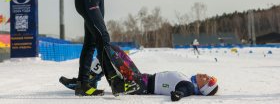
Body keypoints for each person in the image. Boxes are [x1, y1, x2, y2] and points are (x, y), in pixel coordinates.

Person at [60, 45, 219, 101]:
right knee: (113, 49)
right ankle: (89, 80)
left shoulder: (189, 87)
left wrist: (178, 94)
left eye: (206, 80)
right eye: (208, 76)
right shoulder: (189, 80)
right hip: (141, 77)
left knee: (107, 52)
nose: (205, 75)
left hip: (137, 84)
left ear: (201, 89)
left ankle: (86, 81)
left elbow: (183, 90)